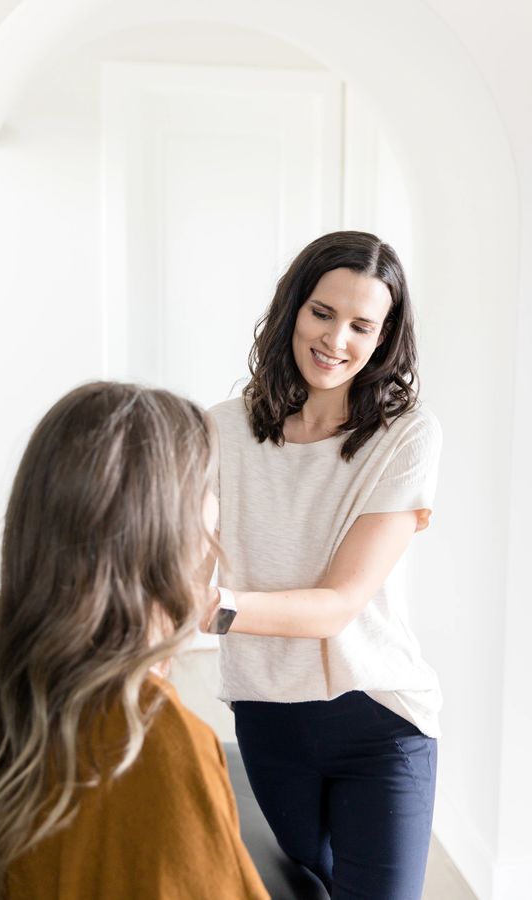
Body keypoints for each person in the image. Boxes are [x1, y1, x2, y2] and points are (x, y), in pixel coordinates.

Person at [0, 382, 269, 900]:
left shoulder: (35, 701)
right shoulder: (160, 741)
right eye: (207, 488)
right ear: (163, 533)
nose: (216, 509)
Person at [205, 231, 443, 900]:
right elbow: (187, 538)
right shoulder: (222, 429)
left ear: (383, 338)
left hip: (379, 719)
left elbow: (338, 605)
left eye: (361, 325)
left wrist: (213, 605)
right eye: (322, 313)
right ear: (291, 311)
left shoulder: (407, 435)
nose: (336, 339)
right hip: (267, 714)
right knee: (314, 885)